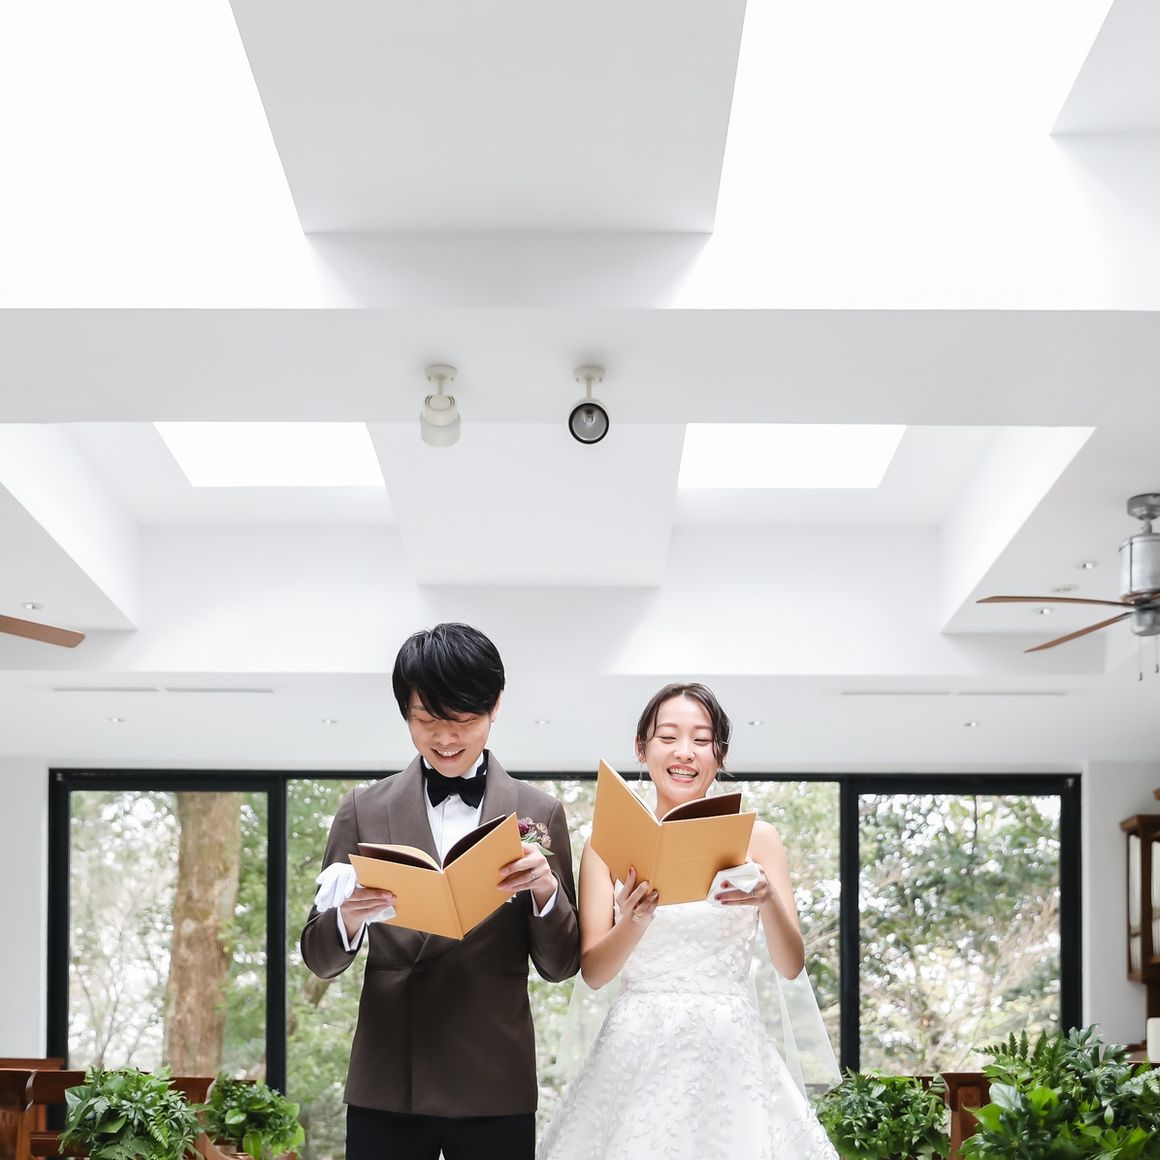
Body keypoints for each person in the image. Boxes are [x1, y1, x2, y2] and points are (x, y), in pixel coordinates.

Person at [301, 623, 581, 1160]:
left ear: (495, 707)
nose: (446, 739)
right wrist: (349, 918)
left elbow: (561, 964)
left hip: (494, 1077)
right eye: (427, 721)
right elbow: (319, 957)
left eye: (464, 721)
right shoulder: (363, 809)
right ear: (405, 713)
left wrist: (546, 890)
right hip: (389, 1076)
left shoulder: (539, 812)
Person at [538, 682, 837, 1160]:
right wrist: (633, 921)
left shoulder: (758, 838)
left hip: (729, 1048)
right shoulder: (605, 843)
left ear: (720, 754)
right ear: (642, 748)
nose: (684, 752)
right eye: (668, 737)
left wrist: (767, 899)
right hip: (634, 1048)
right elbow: (594, 973)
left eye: (701, 740)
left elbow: (790, 965)